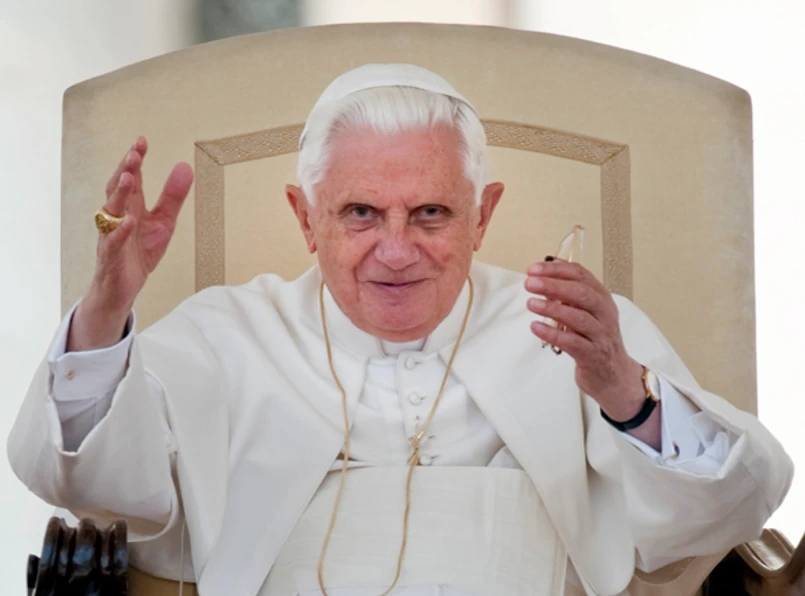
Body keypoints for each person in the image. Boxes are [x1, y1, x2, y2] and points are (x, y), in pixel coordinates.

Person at [8, 63, 793, 596]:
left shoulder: (577, 327)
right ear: (304, 217)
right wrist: (105, 308)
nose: (395, 250)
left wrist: (625, 394)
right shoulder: (227, 332)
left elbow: (733, 507)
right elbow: (84, 482)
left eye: (430, 213)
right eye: (360, 213)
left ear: (481, 215)